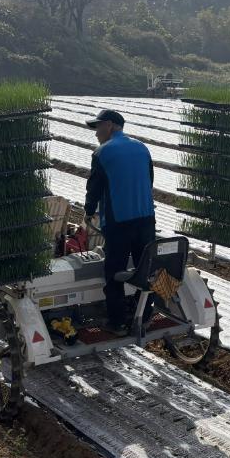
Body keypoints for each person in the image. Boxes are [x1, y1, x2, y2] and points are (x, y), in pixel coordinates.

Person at [83, 109, 155, 336]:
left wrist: (88, 212)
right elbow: (149, 180)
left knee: (114, 271)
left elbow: (94, 188)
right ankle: (143, 317)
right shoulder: (143, 149)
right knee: (147, 270)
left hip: (119, 223)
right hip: (146, 220)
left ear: (111, 126)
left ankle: (117, 322)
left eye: (98, 127)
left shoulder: (102, 153)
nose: (96, 133)